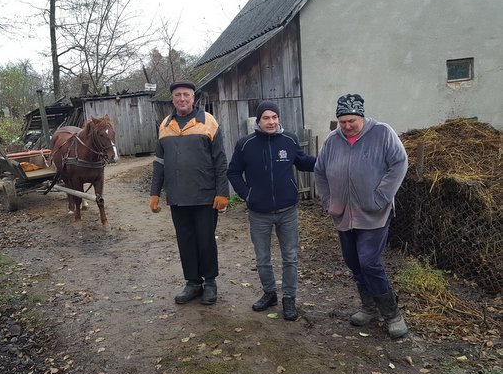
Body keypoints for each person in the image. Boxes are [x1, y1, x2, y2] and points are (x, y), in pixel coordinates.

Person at [314, 93, 409, 338]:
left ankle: (392, 314)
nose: (346, 126)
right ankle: (369, 307)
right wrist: (328, 200)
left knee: (369, 262)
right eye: (342, 121)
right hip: (343, 213)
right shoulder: (332, 140)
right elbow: (320, 171)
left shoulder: (382, 133)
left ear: (361, 117)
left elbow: (399, 163)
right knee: (353, 263)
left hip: (374, 213)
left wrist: (381, 196)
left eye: (351, 121)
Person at [227, 101, 316, 321]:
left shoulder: (289, 140)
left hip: (287, 210)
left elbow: (303, 162)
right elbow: (233, 172)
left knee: (290, 257)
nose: (271, 122)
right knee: (263, 258)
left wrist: (328, 159)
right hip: (259, 213)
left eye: (275, 117)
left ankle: (289, 298)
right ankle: (269, 293)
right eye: (266, 118)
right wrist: (248, 195)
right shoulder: (245, 144)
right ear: (258, 121)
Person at [149, 80, 229, 305]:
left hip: (205, 196)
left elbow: (220, 160)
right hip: (177, 197)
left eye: (186, 94)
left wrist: (222, 192)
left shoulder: (207, 122)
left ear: (194, 98)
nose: (182, 99)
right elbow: (159, 162)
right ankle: (193, 282)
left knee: (205, 240)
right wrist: (155, 193)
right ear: (172, 99)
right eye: (177, 95)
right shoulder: (165, 124)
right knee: (185, 240)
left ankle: (210, 282)